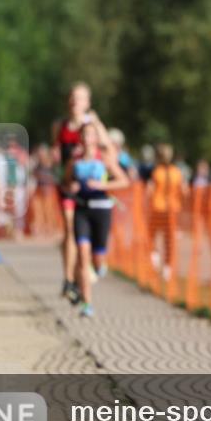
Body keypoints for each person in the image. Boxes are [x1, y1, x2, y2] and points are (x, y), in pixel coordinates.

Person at [52, 82, 113, 303]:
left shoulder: (92, 124)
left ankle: (79, 280)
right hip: (69, 185)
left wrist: (96, 125)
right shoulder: (60, 125)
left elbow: (108, 148)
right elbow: (56, 155)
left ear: (87, 102)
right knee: (70, 229)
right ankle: (68, 279)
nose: (73, 102)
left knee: (79, 238)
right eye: (71, 97)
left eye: (78, 98)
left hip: (90, 191)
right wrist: (61, 171)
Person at [62, 122, 129, 317]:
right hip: (81, 209)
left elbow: (124, 181)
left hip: (101, 209)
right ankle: (87, 304)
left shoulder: (104, 159)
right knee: (83, 254)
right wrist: (71, 187)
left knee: (97, 258)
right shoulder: (74, 161)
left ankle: (99, 266)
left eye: (90, 135)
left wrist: (101, 185)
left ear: (96, 138)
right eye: (83, 135)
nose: (86, 138)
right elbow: (65, 183)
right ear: (80, 138)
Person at [147, 143, 188, 281]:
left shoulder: (156, 172)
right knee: (169, 239)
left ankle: (155, 256)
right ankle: (167, 267)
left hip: (157, 208)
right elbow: (184, 191)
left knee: (151, 235)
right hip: (172, 210)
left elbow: (150, 191)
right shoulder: (177, 172)